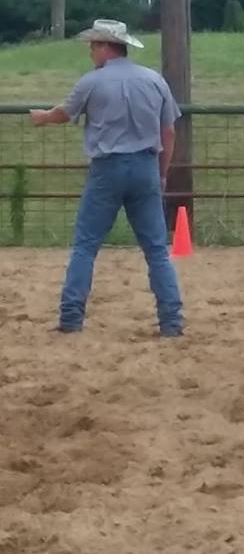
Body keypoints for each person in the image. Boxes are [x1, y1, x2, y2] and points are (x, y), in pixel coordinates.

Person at [30, 19, 183, 337]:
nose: (90, 52)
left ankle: (71, 318)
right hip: (145, 166)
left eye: (92, 46)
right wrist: (162, 172)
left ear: (104, 47)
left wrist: (44, 117)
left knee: (86, 245)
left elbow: (65, 112)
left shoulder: (92, 82)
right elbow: (168, 131)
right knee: (156, 248)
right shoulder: (155, 80)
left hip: (107, 169)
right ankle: (171, 321)